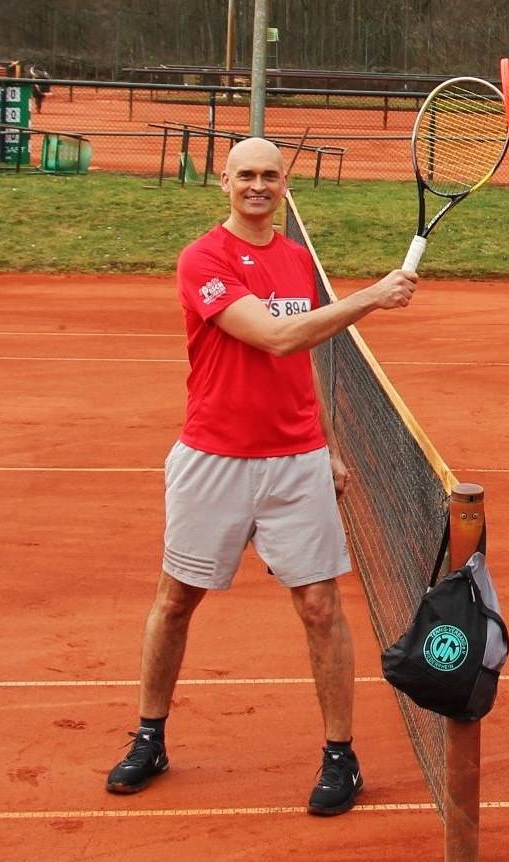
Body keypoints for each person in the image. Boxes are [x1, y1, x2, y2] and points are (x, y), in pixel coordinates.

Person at [105, 137, 418, 816]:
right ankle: (150, 736)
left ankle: (341, 755)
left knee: (320, 607)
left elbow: (298, 360)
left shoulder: (297, 261)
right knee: (177, 599)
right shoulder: (203, 259)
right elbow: (275, 336)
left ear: (285, 183)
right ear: (224, 182)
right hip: (212, 458)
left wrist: (328, 447)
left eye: (269, 176)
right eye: (245, 174)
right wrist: (369, 299)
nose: (257, 185)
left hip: (296, 461)